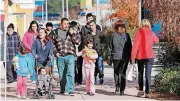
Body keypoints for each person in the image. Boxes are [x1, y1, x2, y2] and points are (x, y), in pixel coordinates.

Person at [131, 19, 159, 98]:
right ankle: (147, 93)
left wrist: (132, 57)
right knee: (148, 74)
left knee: (140, 73)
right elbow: (157, 41)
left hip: (140, 56)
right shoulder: (151, 32)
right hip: (150, 56)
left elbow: (135, 46)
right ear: (148, 24)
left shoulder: (138, 32)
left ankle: (140, 91)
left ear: (141, 24)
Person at [54, 19, 81, 96]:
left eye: (67, 24)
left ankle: (71, 90)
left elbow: (78, 42)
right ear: (61, 24)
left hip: (70, 55)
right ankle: (63, 89)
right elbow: (52, 44)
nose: (66, 25)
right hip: (60, 56)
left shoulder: (73, 31)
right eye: (64, 24)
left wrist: (72, 34)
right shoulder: (56, 32)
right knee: (62, 74)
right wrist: (55, 52)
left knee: (70, 73)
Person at [76, 13, 101, 85]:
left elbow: (100, 36)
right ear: (86, 19)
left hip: (96, 49)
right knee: (85, 65)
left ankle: (95, 76)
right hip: (86, 48)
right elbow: (83, 37)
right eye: (89, 19)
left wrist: (100, 47)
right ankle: (84, 79)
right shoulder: (84, 28)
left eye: (91, 18)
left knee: (97, 65)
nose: (90, 20)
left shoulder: (97, 26)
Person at [109, 23, 132, 95]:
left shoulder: (114, 35)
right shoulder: (126, 35)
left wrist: (109, 55)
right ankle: (121, 89)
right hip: (122, 57)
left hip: (118, 56)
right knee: (122, 73)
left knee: (117, 72)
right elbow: (130, 47)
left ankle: (118, 88)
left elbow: (110, 46)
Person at [85, 20, 105, 84]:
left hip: (99, 52)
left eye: (92, 25)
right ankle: (94, 77)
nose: (91, 27)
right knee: (93, 66)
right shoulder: (88, 34)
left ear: (95, 25)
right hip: (91, 53)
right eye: (90, 25)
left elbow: (104, 41)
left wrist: (101, 47)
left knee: (100, 66)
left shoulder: (100, 33)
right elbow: (86, 42)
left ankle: (101, 76)